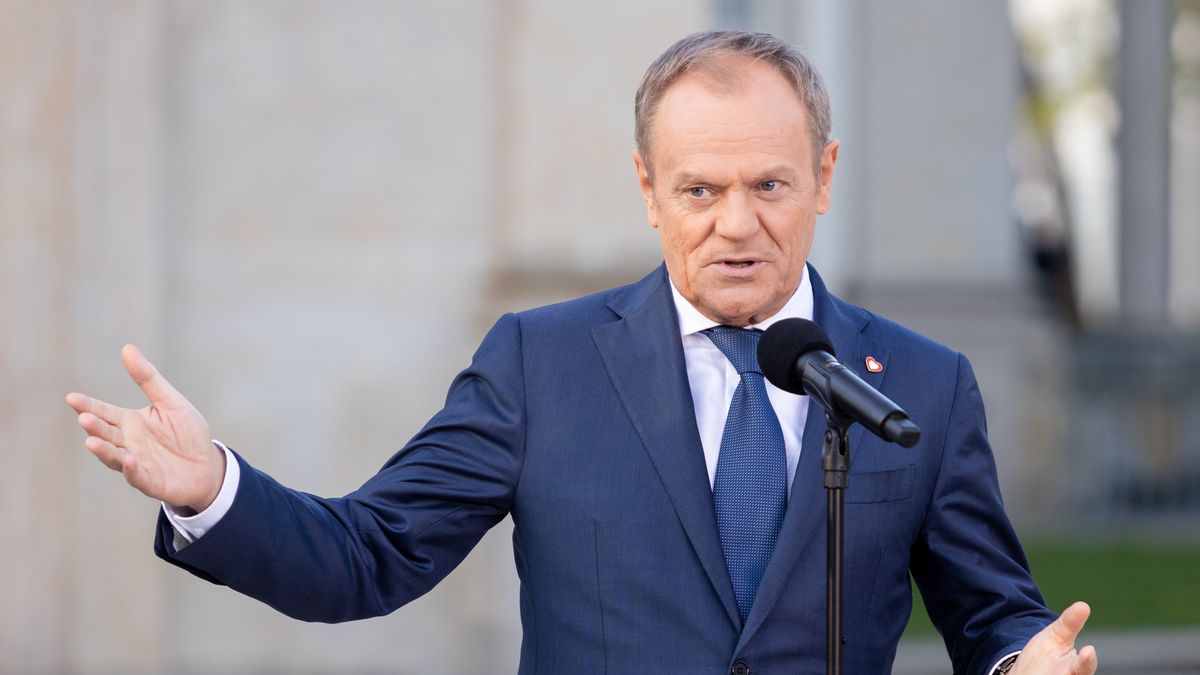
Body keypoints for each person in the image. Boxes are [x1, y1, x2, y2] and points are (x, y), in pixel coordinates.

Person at [66, 30, 1098, 675]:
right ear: (649, 191)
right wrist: (212, 491)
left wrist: (1024, 666)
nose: (736, 224)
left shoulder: (918, 384)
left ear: (823, 178)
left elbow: (991, 615)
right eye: (700, 190)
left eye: (770, 186)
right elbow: (366, 559)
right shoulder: (540, 366)